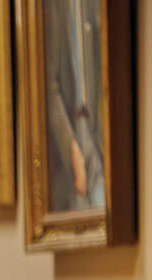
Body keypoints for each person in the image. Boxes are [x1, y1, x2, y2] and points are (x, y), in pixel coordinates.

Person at [44, 0, 105, 211]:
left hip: (99, 135)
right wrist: (71, 147)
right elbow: (48, 86)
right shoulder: (51, 7)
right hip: (70, 140)